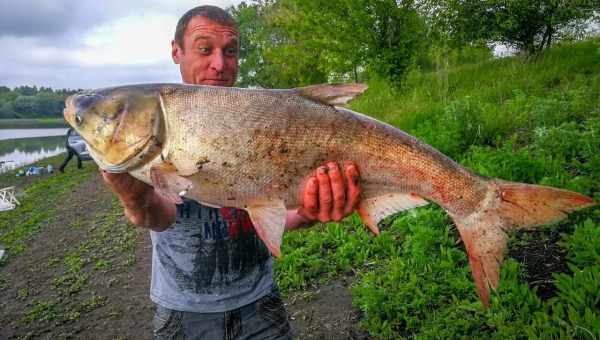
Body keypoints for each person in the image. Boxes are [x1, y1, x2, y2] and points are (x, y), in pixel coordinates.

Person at [101, 5, 362, 339]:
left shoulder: (262, 118)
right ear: (177, 52)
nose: (219, 65)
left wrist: (312, 211)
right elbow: (160, 216)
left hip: (260, 302)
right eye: (204, 49)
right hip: (184, 311)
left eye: (230, 52)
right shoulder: (161, 129)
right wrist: (133, 199)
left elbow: (279, 213)